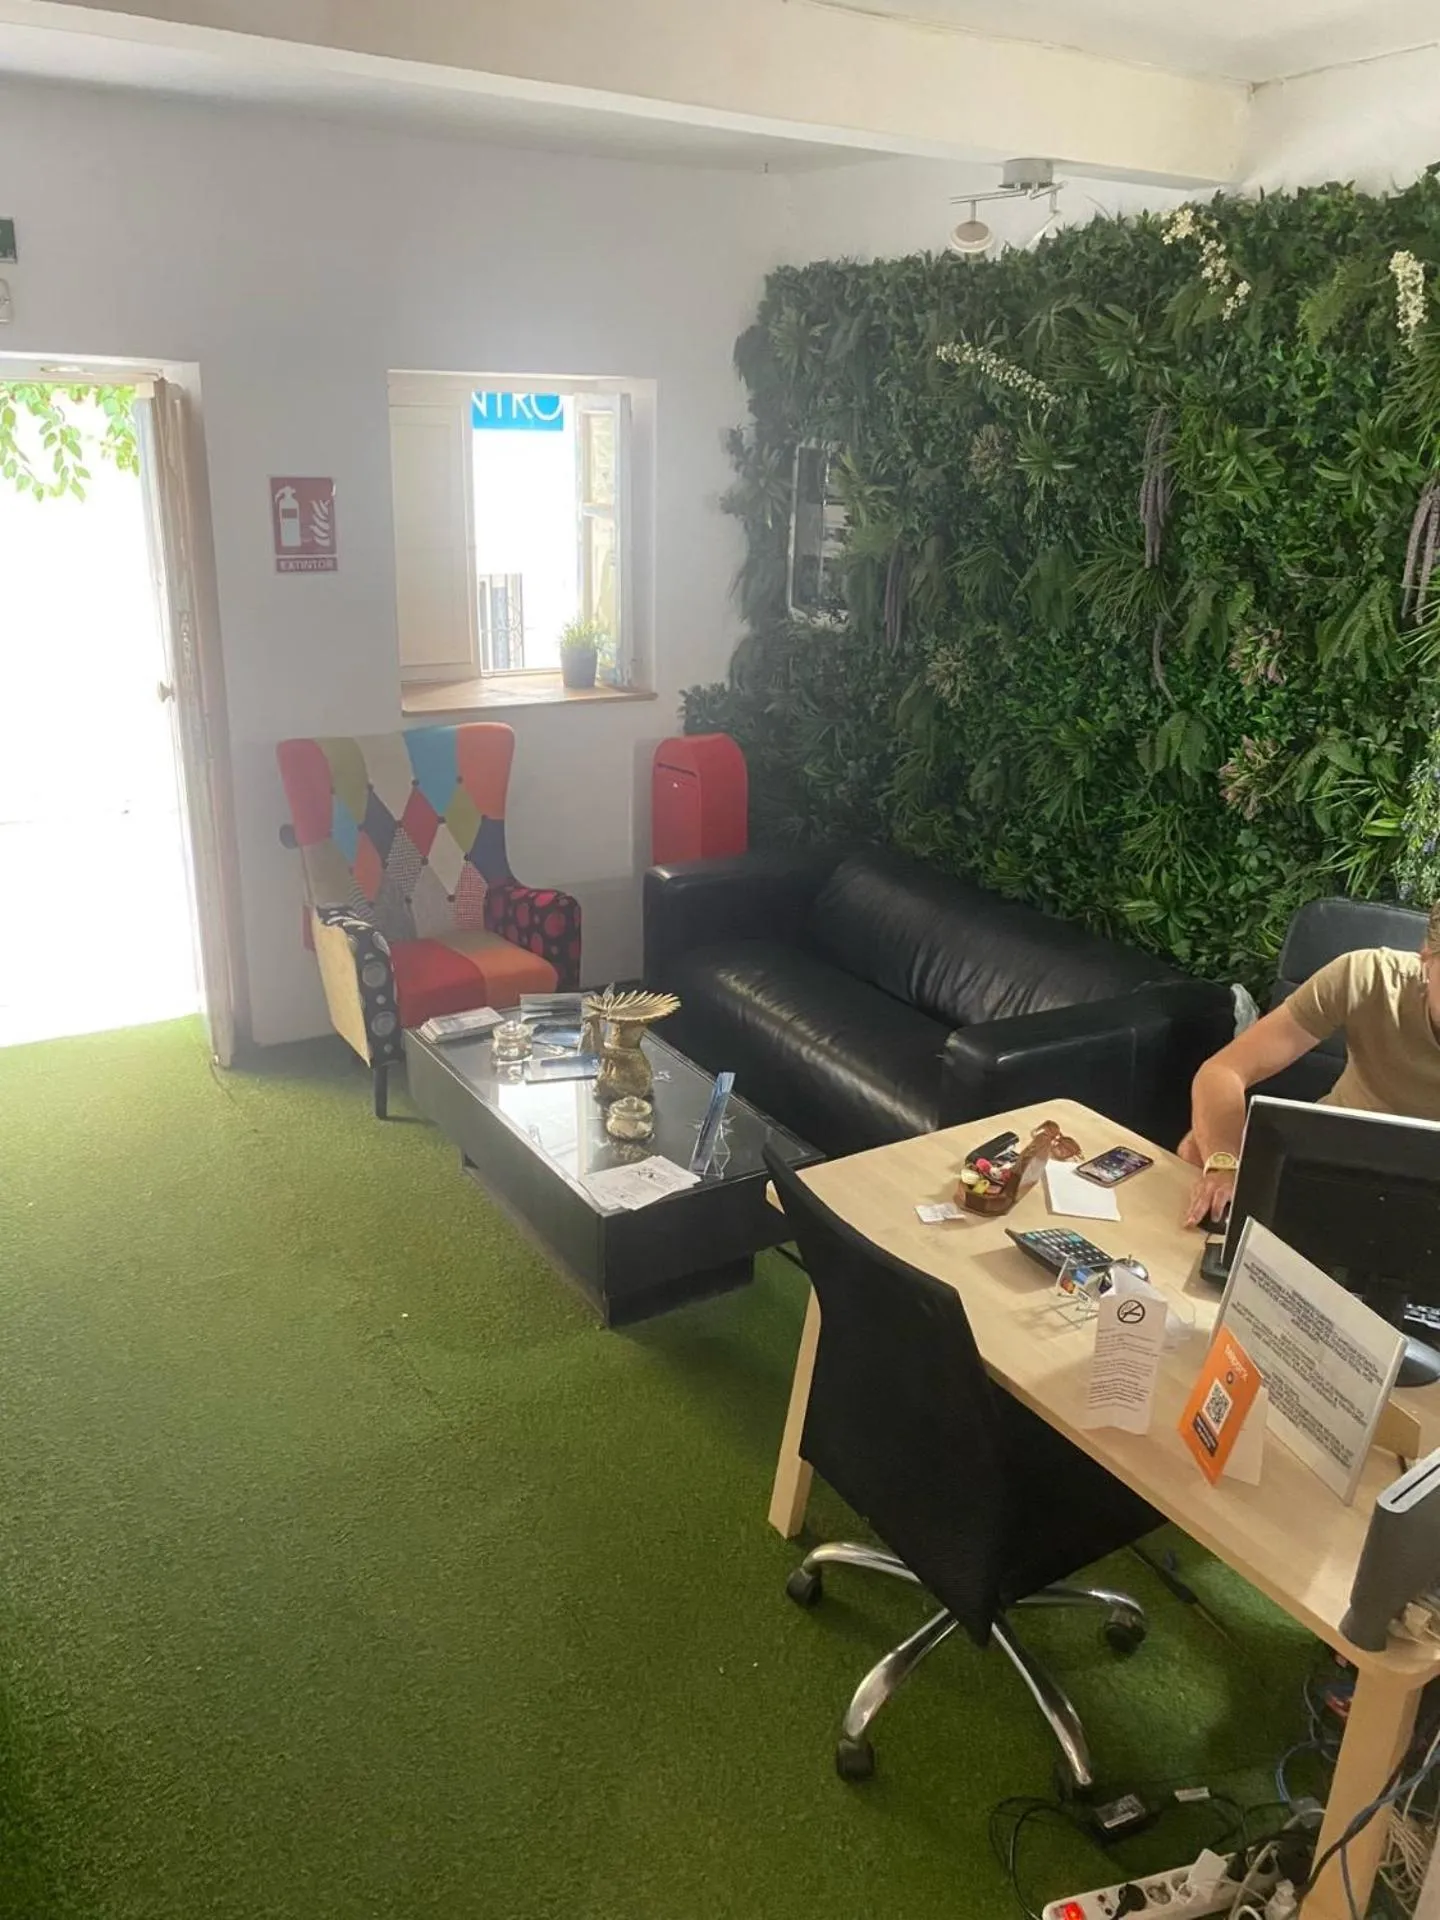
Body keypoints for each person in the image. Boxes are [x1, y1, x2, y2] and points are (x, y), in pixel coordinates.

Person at [1181, 903, 1440, 1227]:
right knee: (1197, 1147)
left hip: (1426, 1207)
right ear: (1427, 955)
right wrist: (1224, 1164)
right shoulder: (1370, 977)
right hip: (1328, 1167)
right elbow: (1223, 1071)